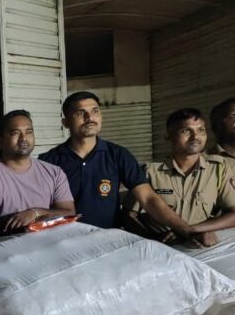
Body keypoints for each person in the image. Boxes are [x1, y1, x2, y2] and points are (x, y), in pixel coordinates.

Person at [40, 90, 199, 240]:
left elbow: (148, 198)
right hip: (65, 241)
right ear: (65, 122)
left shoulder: (118, 155)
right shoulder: (49, 161)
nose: (90, 117)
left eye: (95, 111)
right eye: (80, 113)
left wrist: (185, 229)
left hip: (110, 240)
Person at [124, 108, 235, 245]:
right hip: (161, 245)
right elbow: (128, 216)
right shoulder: (151, 172)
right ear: (168, 135)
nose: (195, 137)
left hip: (200, 244)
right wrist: (153, 240)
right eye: (186, 131)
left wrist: (191, 231)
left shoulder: (217, 168)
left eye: (201, 130)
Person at [0, 110, 74, 243]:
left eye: (29, 132)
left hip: (49, 245)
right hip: (8, 249)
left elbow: (69, 212)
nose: (23, 138)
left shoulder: (54, 172)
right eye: (15, 133)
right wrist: (20, 223)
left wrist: (35, 213)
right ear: (1, 141)